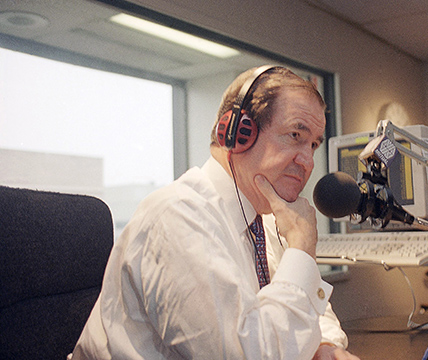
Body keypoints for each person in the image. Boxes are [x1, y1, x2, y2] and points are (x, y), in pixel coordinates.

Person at [71, 66, 359, 360]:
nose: (308, 161)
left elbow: (306, 309)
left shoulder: (267, 223)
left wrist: (323, 346)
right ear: (238, 133)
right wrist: (301, 248)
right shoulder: (178, 217)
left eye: (313, 144)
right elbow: (251, 355)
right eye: (295, 134)